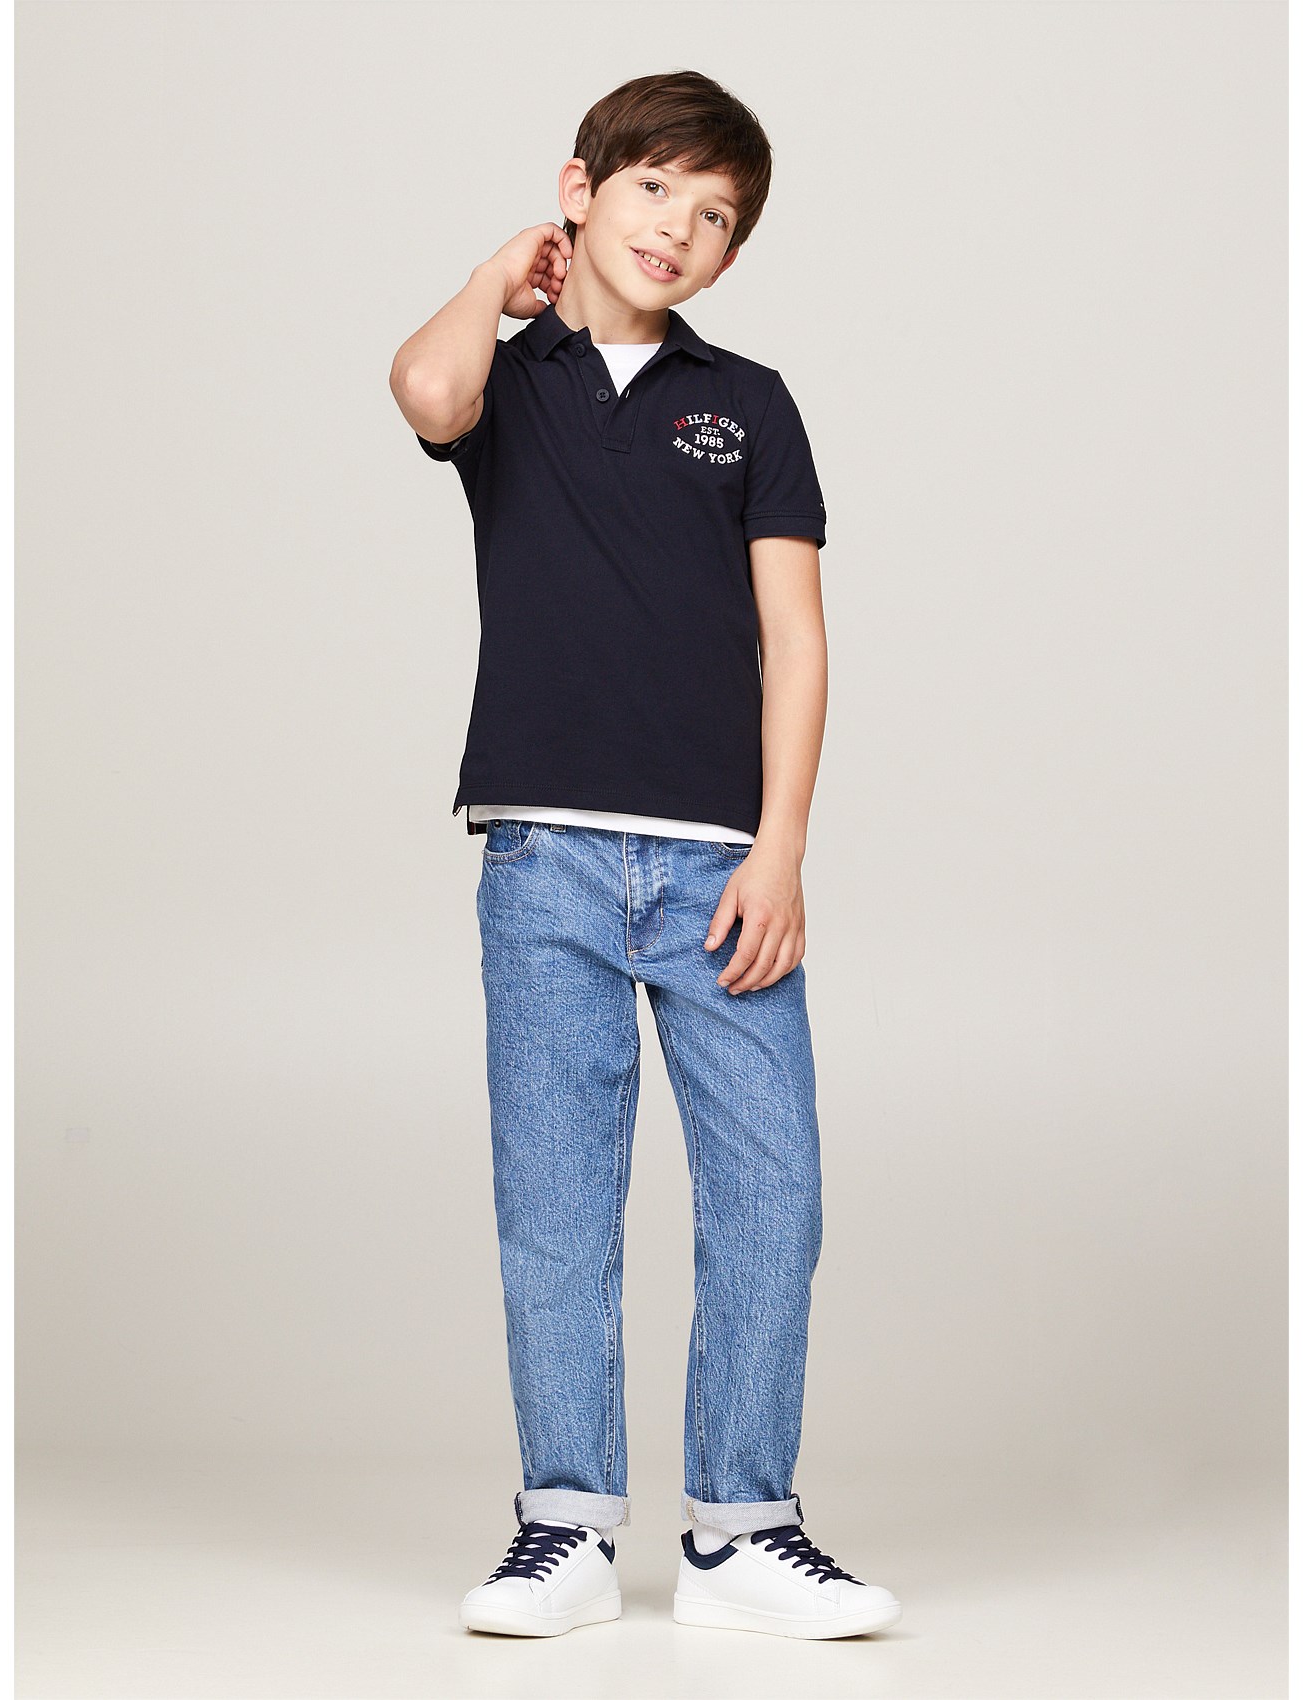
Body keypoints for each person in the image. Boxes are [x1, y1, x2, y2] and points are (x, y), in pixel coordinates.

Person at [389, 69, 902, 1642]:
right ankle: (564, 1525)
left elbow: (796, 641)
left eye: (716, 215)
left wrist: (783, 848)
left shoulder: (748, 404)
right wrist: (497, 278)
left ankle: (743, 1533)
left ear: (733, 256)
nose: (679, 226)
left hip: (717, 870)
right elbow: (424, 393)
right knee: (557, 1204)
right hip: (541, 857)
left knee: (773, 1194)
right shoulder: (512, 382)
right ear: (581, 190)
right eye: (654, 188)